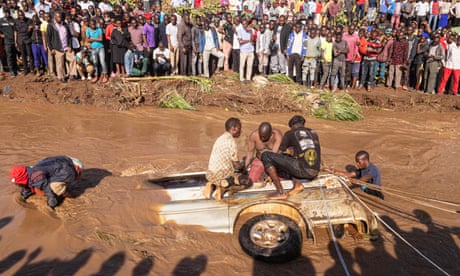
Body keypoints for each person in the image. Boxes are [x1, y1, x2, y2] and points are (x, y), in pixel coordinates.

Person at [260, 115, 321, 199]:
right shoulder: (313, 132)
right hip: (315, 170)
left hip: (304, 170)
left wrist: (269, 172)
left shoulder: (290, 133)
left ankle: (280, 192)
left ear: (292, 126)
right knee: (290, 157)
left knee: (266, 155)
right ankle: (297, 184)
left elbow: (279, 154)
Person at [9, 156, 84, 209]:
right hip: (68, 160)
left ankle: (65, 193)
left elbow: (48, 191)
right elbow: (28, 185)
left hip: (76, 167)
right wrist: (24, 195)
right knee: (41, 182)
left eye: (17, 183)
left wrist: (51, 205)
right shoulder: (30, 171)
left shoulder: (35, 176)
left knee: (52, 187)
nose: (16, 184)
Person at [204, 117, 248, 201]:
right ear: (234, 129)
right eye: (240, 128)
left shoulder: (220, 138)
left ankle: (211, 184)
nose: (241, 131)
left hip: (211, 173)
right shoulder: (231, 142)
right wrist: (244, 164)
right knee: (243, 183)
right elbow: (236, 166)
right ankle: (220, 192)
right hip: (222, 176)